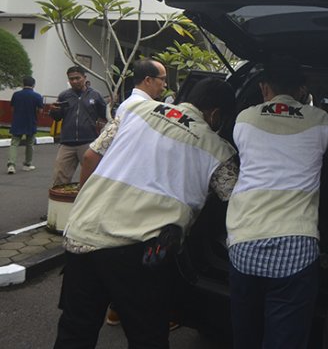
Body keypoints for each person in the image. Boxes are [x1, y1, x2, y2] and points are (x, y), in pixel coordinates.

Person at [53, 78, 239, 349]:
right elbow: (238, 201)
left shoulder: (134, 111)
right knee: (147, 337)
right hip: (137, 251)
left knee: (75, 332)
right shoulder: (217, 149)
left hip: (82, 235)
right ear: (215, 114)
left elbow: (92, 158)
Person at [227, 56, 328, 349]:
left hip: (243, 241)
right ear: (301, 90)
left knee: (245, 334)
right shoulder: (321, 120)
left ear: (263, 88)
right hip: (296, 247)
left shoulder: (244, 118)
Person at [79, 59, 167, 326]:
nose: (165, 84)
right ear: (148, 80)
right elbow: (91, 156)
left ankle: (114, 308)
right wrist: (84, 195)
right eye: (162, 78)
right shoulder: (143, 109)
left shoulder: (129, 106)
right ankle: (119, 308)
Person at [48, 66, 106, 186]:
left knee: (91, 179)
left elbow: (106, 115)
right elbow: (57, 117)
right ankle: (60, 203)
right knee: (59, 178)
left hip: (89, 143)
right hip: (67, 143)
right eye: (71, 79)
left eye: (77, 78)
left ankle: (90, 203)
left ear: (84, 78)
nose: (74, 81)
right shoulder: (64, 96)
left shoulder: (95, 95)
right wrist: (53, 111)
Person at [6, 76, 44, 174]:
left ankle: (11, 165)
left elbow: (12, 109)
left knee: (14, 143)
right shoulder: (37, 96)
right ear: (34, 85)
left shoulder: (16, 95)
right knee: (29, 144)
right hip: (31, 122)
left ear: (23, 84)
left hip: (17, 122)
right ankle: (27, 164)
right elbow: (40, 111)